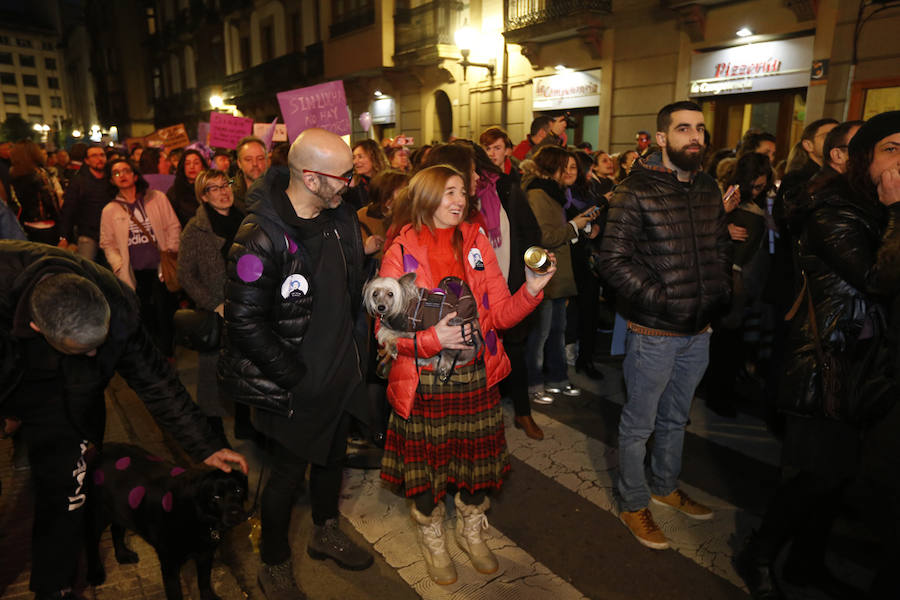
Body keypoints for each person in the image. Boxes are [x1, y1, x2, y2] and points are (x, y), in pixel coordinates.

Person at [0, 240, 246, 600]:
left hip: (70, 400)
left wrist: (205, 447)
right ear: (37, 327)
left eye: (101, 343)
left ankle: (55, 586)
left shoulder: (119, 308)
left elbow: (157, 382)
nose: (99, 354)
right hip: (18, 379)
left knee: (68, 493)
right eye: (86, 349)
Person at [736, 111, 900, 600]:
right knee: (813, 477)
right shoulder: (832, 208)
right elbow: (877, 278)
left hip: (865, 364)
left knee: (837, 480)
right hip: (826, 363)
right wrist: (898, 211)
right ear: (862, 158)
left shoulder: (872, 207)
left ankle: (806, 564)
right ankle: (758, 555)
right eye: (891, 149)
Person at [378, 164, 555, 585]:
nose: (459, 200)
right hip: (423, 382)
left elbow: (499, 316)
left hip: (475, 376)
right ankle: (432, 535)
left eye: (462, 192)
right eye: (449, 192)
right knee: (426, 475)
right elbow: (384, 335)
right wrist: (431, 340)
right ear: (425, 199)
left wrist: (531, 289)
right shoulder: (400, 252)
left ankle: (471, 529)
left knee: (478, 469)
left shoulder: (477, 241)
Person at [219, 128, 373, 599]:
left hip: (341, 373)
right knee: (286, 477)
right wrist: (294, 378)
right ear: (310, 176)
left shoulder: (341, 215)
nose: (351, 182)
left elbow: (351, 285)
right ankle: (273, 563)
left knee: (331, 458)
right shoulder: (258, 236)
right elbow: (245, 324)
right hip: (293, 384)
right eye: (342, 175)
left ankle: (325, 531)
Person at [597, 100, 731, 550]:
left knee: (677, 417)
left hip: (700, 329)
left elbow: (719, 247)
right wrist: (663, 299)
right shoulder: (635, 189)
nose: (694, 137)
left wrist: (717, 293)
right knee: (639, 424)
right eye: (683, 129)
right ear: (661, 138)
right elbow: (612, 261)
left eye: (699, 129)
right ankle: (634, 502)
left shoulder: (709, 186)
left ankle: (663, 484)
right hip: (655, 330)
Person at [176, 168, 252, 437]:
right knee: (213, 376)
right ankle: (214, 435)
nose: (223, 192)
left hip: (250, 306)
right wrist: (213, 304)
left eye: (225, 184)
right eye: (214, 188)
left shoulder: (246, 218)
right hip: (218, 312)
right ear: (203, 197)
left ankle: (247, 425)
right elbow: (185, 274)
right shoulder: (196, 230)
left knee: (248, 370)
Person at [702, 152, 773, 417]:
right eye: (753, 185)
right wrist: (722, 226)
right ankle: (718, 395)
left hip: (747, 280)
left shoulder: (760, 204)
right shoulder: (725, 199)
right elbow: (697, 233)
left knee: (732, 342)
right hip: (728, 279)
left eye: (761, 185)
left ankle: (723, 391)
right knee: (724, 343)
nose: (757, 190)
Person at [524, 146, 596, 404]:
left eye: (572, 166)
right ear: (551, 166)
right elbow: (544, 236)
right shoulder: (538, 193)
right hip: (543, 274)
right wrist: (573, 226)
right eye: (564, 166)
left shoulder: (556, 193)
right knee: (541, 333)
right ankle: (533, 383)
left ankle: (558, 379)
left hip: (558, 273)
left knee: (557, 330)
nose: (569, 172)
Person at [100, 159, 181, 358]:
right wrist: (118, 265)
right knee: (144, 314)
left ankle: (167, 354)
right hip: (134, 270)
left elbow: (173, 226)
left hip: (160, 266)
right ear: (111, 180)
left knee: (164, 311)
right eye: (116, 173)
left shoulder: (157, 198)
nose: (122, 175)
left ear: (135, 175)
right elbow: (107, 243)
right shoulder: (110, 210)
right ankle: (153, 355)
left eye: (126, 170)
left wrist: (169, 251)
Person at [9, 140, 62, 245]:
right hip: (45, 225)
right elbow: (50, 201)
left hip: (23, 224)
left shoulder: (13, 174)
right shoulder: (40, 174)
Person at [166, 149, 208, 227]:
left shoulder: (211, 188)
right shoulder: (174, 192)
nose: (192, 167)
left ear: (203, 167)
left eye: (196, 163)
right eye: (187, 163)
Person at [346, 139, 389, 210]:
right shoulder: (352, 184)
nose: (355, 162)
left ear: (374, 157)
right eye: (354, 157)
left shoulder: (388, 181)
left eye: (360, 157)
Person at [232, 136, 268, 213]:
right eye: (248, 159)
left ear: (267, 161)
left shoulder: (280, 190)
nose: (255, 163)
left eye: (260, 158)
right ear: (239, 163)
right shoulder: (229, 193)